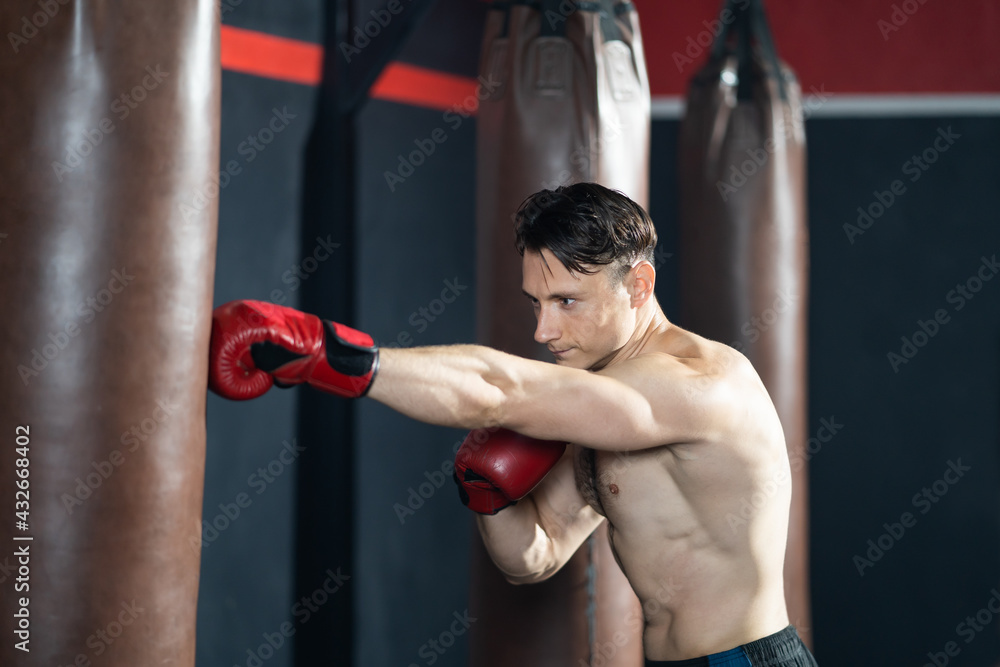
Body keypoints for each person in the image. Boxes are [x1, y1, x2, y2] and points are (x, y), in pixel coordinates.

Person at [208, 182, 817, 666]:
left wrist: (321, 352)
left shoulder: (698, 384)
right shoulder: (602, 411)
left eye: (567, 302)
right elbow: (536, 554)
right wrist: (488, 496)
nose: (543, 331)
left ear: (639, 285)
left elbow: (499, 388)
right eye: (536, 303)